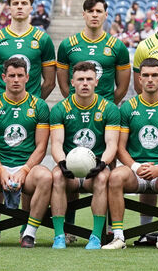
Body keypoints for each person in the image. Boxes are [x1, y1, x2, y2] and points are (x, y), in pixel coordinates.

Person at [103, 58, 158, 251]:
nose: (150, 79)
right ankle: (118, 237)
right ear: (139, 79)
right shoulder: (128, 107)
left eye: (155, 75)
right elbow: (120, 148)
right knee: (115, 176)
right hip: (134, 170)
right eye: (146, 75)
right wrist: (135, 167)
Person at [0, 57, 53, 248]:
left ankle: (29, 234)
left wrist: (24, 170)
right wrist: (0, 171)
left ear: (27, 78)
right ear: (3, 77)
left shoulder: (38, 105)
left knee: (46, 177)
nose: (16, 79)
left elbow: (41, 146)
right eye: (12, 75)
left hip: (27, 167)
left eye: (20, 76)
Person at [48, 62, 118, 249]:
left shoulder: (109, 108)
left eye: (89, 79)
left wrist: (102, 164)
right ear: (72, 82)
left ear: (96, 82)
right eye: (80, 79)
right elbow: (56, 143)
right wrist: (62, 163)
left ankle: (95, 236)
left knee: (104, 178)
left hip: (95, 169)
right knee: (56, 176)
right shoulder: (60, 108)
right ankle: (59, 235)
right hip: (69, 167)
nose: (85, 83)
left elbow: (112, 144)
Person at [0, 0, 56, 100]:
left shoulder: (43, 39)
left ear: (31, 8)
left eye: (24, 3)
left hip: (32, 110)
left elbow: (50, 82)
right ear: (9, 8)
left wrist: (34, 102)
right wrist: (2, 99)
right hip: (2, 109)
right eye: (15, 3)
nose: (20, 6)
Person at [55, 0, 131, 104]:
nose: (94, 15)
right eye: (90, 11)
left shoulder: (118, 46)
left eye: (99, 11)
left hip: (105, 111)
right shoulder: (67, 45)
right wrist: (77, 103)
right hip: (75, 110)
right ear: (84, 14)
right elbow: (63, 86)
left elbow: (122, 88)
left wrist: (108, 106)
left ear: (106, 15)